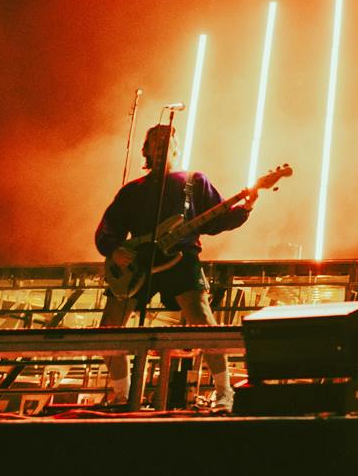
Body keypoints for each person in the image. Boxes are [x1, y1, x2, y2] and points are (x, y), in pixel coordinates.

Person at [94, 123, 255, 410]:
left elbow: (215, 219)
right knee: (109, 328)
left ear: (177, 147)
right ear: (145, 150)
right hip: (138, 263)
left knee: (203, 322)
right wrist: (115, 250)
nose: (161, 146)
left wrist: (244, 208)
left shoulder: (193, 181)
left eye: (167, 141)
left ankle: (224, 392)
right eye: (155, 142)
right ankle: (123, 396)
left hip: (181, 258)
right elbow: (107, 228)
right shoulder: (131, 191)